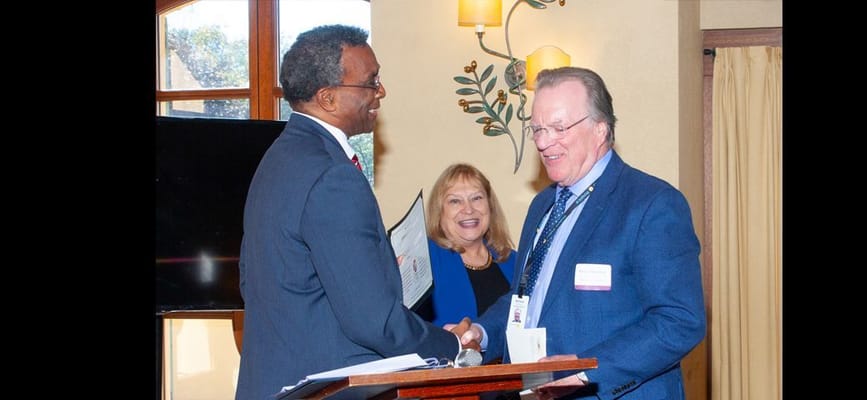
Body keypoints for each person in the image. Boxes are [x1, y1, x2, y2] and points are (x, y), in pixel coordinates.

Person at [236, 25, 474, 400]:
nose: (381, 92)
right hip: (326, 388)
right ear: (328, 98)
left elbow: (255, 282)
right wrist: (450, 347)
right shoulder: (332, 176)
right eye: (371, 81)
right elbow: (373, 322)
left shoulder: (278, 159)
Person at [453, 67, 706, 400]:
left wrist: (588, 370)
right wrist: (482, 333)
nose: (543, 142)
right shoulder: (543, 205)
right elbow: (526, 298)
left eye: (558, 128)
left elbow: (679, 320)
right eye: (538, 129)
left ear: (599, 129)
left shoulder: (651, 204)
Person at [422, 163, 518, 329]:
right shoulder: (424, 260)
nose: (468, 209)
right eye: (455, 201)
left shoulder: (514, 261)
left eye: (476, 198)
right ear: (440, 212)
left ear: (490, 206)